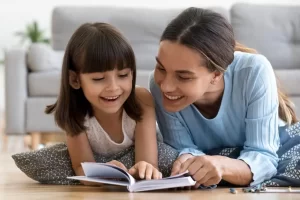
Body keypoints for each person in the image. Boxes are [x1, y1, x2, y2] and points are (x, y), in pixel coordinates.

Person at [149, 7, 298, 187]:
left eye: (183, 76)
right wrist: (187, 160)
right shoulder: (157, 85)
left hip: (276, 146)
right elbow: (182, 147)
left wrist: (222, 165)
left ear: (216, 75)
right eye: (161, 68)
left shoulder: (253, 71)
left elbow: (263, 155)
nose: (165, 85)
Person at [46, 22, 162, 183]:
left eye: (123, 75)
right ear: (74, 79)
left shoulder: (141, 100)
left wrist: (144, 168)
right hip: (104, 162)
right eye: (99, 79)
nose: (113, 88)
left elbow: (149, 163)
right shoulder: (75, 113)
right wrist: (102, 172)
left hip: (154, 150)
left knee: (168, 157)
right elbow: (81, 168)